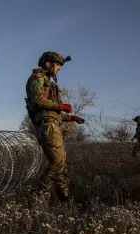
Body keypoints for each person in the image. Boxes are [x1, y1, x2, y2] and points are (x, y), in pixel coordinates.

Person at [24, 51, 85, 202]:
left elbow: (53, 113)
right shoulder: (37, 78)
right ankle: (35, 195)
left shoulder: (49, 83)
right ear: (47, 63)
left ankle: (64, 198)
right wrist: (61, 106)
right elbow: (38, 100)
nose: (59, 68)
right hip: (47, 127)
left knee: (62, 165)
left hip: (53, 124)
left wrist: (71, 118)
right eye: (57, 65)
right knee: (57, 162)